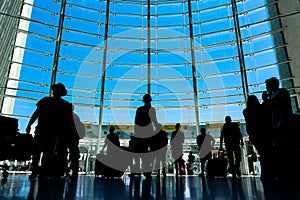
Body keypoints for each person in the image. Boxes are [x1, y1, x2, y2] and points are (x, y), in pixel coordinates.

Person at [26, 83, 71, 179]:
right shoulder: (65, 105)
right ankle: (43, 172)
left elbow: (36, 114)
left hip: (42, 129)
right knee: (48, 152)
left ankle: (35, 171)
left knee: (37, 151)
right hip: (54, 132)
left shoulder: (45, 101)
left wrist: (29, 125)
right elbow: (67, 121)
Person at [134, 94, 158, 177]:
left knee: (142, 151)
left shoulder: (139, 109)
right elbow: (154, 121)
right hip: (149, 133)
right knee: (149, 152)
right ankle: (147, 169)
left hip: (141, 133)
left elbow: (136, 122)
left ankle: (144, 169)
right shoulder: (152, 109)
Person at [65, 104, 85, 178]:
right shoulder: (76, 117)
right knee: (74, 154)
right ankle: (74, 170)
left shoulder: (64, 117)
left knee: (63, 153)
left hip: (66, 138)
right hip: (74, 139)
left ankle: (66, 169)